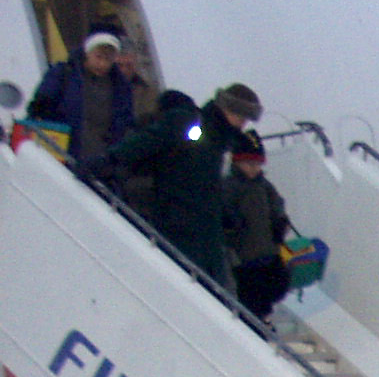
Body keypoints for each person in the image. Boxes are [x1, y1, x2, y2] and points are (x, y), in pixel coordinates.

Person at [85, 83, 262, 290]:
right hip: (178, 225)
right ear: (225, 109)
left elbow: (207, 185)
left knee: (212, 291)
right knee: (189, 286)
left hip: (205, 232)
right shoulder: (189, 123)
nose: (242, 125)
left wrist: (224, 212)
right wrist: (109, 159)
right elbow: (145, 142)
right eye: (240, 117)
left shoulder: (222, 142)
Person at [27, 25, 140, 164]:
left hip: (99, 162)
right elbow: (40, 105)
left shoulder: (121, 87)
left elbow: (124, 124)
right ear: (87, 53)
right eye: (98, 57)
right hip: (60, 154)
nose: (102, 64)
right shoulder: (63, 74)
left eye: (108, 59)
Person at [219, 135, 293, 324]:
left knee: (273, 287)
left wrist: (280, 223)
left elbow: (277, 207)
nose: (254, 169)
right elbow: (224, 214)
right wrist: (232, 226)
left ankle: (263, 320)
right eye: (249, 164)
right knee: (251, 296)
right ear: (238, 162)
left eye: (257, 164)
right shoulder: (230, 187)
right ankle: (255, 325)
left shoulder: (264, 186)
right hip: (244, 257)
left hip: (268, 252)